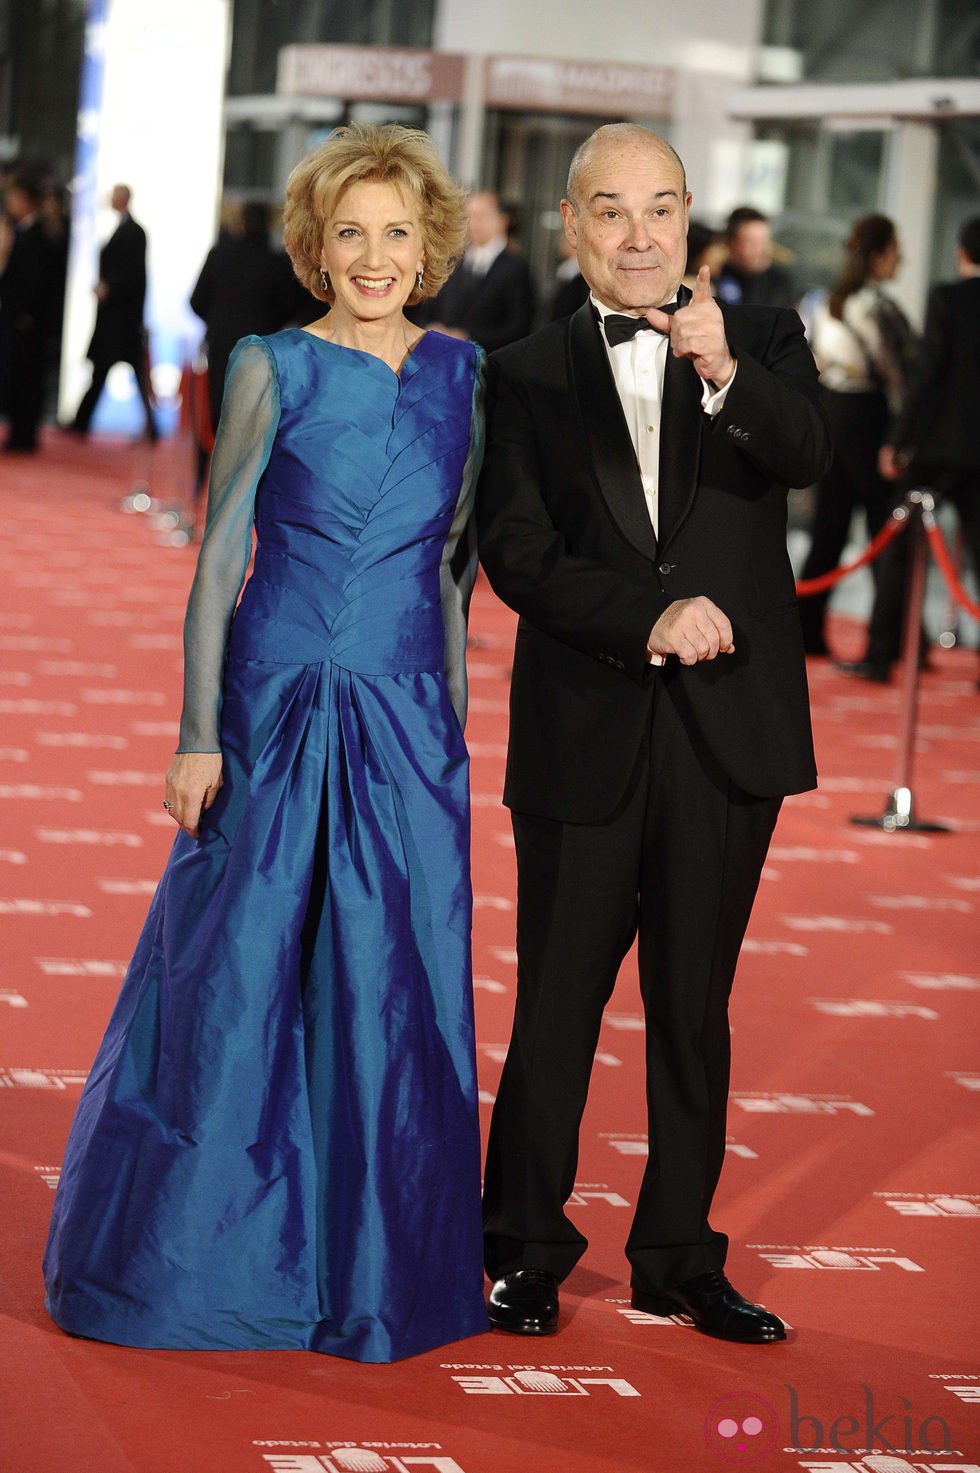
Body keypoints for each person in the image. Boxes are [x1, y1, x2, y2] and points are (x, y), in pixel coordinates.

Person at [43, 122, 489, 1363]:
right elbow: (220, 556)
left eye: (397, 232)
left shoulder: (462, 375)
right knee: (235, 978)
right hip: (278, 703)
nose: (374, 254)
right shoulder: (270, 365)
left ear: (430, 246)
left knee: (391, 993)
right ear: (312, 246)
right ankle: (193, 1265)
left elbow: (452, 574)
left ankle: (376, 1273)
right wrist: (197, 735)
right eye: (350, 232)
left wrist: (449, 736)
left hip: (406, 727)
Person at [477, 123, 830, 1344]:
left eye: (662, 209)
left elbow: (809, 454)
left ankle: (678, 1252)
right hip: (585, 726)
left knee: (694, 1008)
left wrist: (725, 367)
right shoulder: (519, 369)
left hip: (727, 737)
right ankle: (523, 1245)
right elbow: (516, 555)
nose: (639, 236)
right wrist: (649, 617)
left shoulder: (764, 340)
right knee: (556, 1009)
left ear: (690, 221)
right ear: (568, 227)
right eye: (611, 211)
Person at [847, 215, 980, 684]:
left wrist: (897, 440)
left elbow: (927, 378)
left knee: (898, 549)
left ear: (962, 253)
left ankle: (881, 656)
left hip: (938, 448)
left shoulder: (948, 299)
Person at [797, 215, 918, 662]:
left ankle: (808, 632)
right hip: (868, 418)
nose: (900, 259)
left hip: (831, 414)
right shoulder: (876, 308)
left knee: (829, 527)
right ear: (878, 253)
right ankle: (894, 642)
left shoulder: (821, 302)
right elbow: (902, 375)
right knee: (885, 528)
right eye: (895, 249)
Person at [190, 198, 311, 439]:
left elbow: (196, 301)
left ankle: (205, 471)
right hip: (262, 346)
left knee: (218, 410)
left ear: (241, 224)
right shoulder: (277, 263)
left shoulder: (219, 256)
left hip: (222, 342)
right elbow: (294, 307)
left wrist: (216, 323)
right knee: (254, 417)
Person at [68, 184, 158, 440]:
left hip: (123, 319)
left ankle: (82, 421)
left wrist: (110, 287)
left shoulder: (134, 232)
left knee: (130, 374)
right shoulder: (122, 229)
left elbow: (134, 275)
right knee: (104, 372)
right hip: (114, 318)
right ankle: (81, 421)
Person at [409, 189, 536, 351]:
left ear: (502, 221)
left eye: (482, 215)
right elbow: (427, 305)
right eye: (470, 216)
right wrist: (429, 327)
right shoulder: (452, 262)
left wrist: (468, 337)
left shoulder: (517, 268)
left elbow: (520, 328)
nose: (475, 223)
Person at [0, 168, 56, 452]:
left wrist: (24, 314)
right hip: (20, 317)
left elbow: (34, 281)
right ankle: (20, 434)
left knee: (27, 377)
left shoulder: (37, 234)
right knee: (19, 376)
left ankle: (24, 436)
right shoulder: (24, 231)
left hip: (28, 321)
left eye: (12, 197)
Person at [716, 206, 796, 309]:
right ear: (730, 243)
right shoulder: (714, 280)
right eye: (752, 243)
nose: (762, 250)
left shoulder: (780, 284)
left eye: (764, 242)